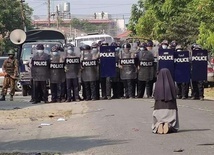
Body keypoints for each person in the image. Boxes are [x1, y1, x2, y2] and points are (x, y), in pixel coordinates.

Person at [152, 68, 179, 134]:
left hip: (158, 108)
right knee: (172, 121)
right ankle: (168, 124)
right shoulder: (174, 83)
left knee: (158, 119)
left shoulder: (155, 84)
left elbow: (153, 94)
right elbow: (176, 93)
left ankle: (159, 124)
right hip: (171, 108)